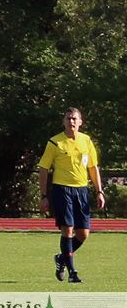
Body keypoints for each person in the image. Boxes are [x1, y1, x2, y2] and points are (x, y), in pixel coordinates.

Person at [38, 107, 105, 283]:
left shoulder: (86, 141)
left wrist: (99, 191)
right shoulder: (55, 142)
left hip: (82, 190)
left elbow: (93, 167)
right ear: (64, 122)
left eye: (74, 118)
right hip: (62, 190)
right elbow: (43, 168)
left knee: (83, 234)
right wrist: (43, 195)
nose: (71, 121)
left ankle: (61, 258)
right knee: (67, 229)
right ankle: (72, 272)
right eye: (68, 118)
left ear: (80, 122)